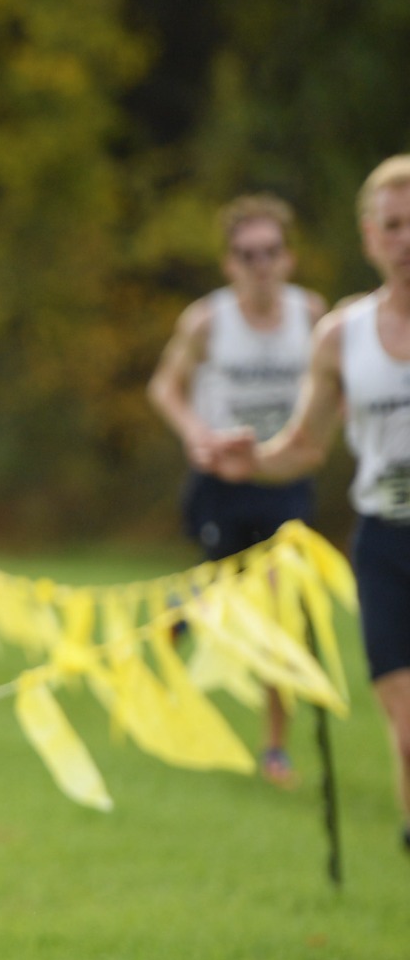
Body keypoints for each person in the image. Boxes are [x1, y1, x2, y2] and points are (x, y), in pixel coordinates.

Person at [209, 155, 410, 853]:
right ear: (368, 238)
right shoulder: (342, 336)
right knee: (407, 733)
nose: (406, 240)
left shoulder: (317, 318)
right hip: (386, 544)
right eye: (393, 226)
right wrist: (253, 460)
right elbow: (306, 446)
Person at [148, 194, 325, 786]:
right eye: (248, 254)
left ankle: (275, 747)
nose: (261, 265)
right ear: (229, 263)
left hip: (283, 481)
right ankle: (179, 621)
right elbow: (164, 387)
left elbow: (330, 394)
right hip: (219, 482)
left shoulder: (312, 316)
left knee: (280, 607)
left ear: (290, 257)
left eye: (271, 252)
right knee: (224, 591)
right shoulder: (206, 321)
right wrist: (197, 434)